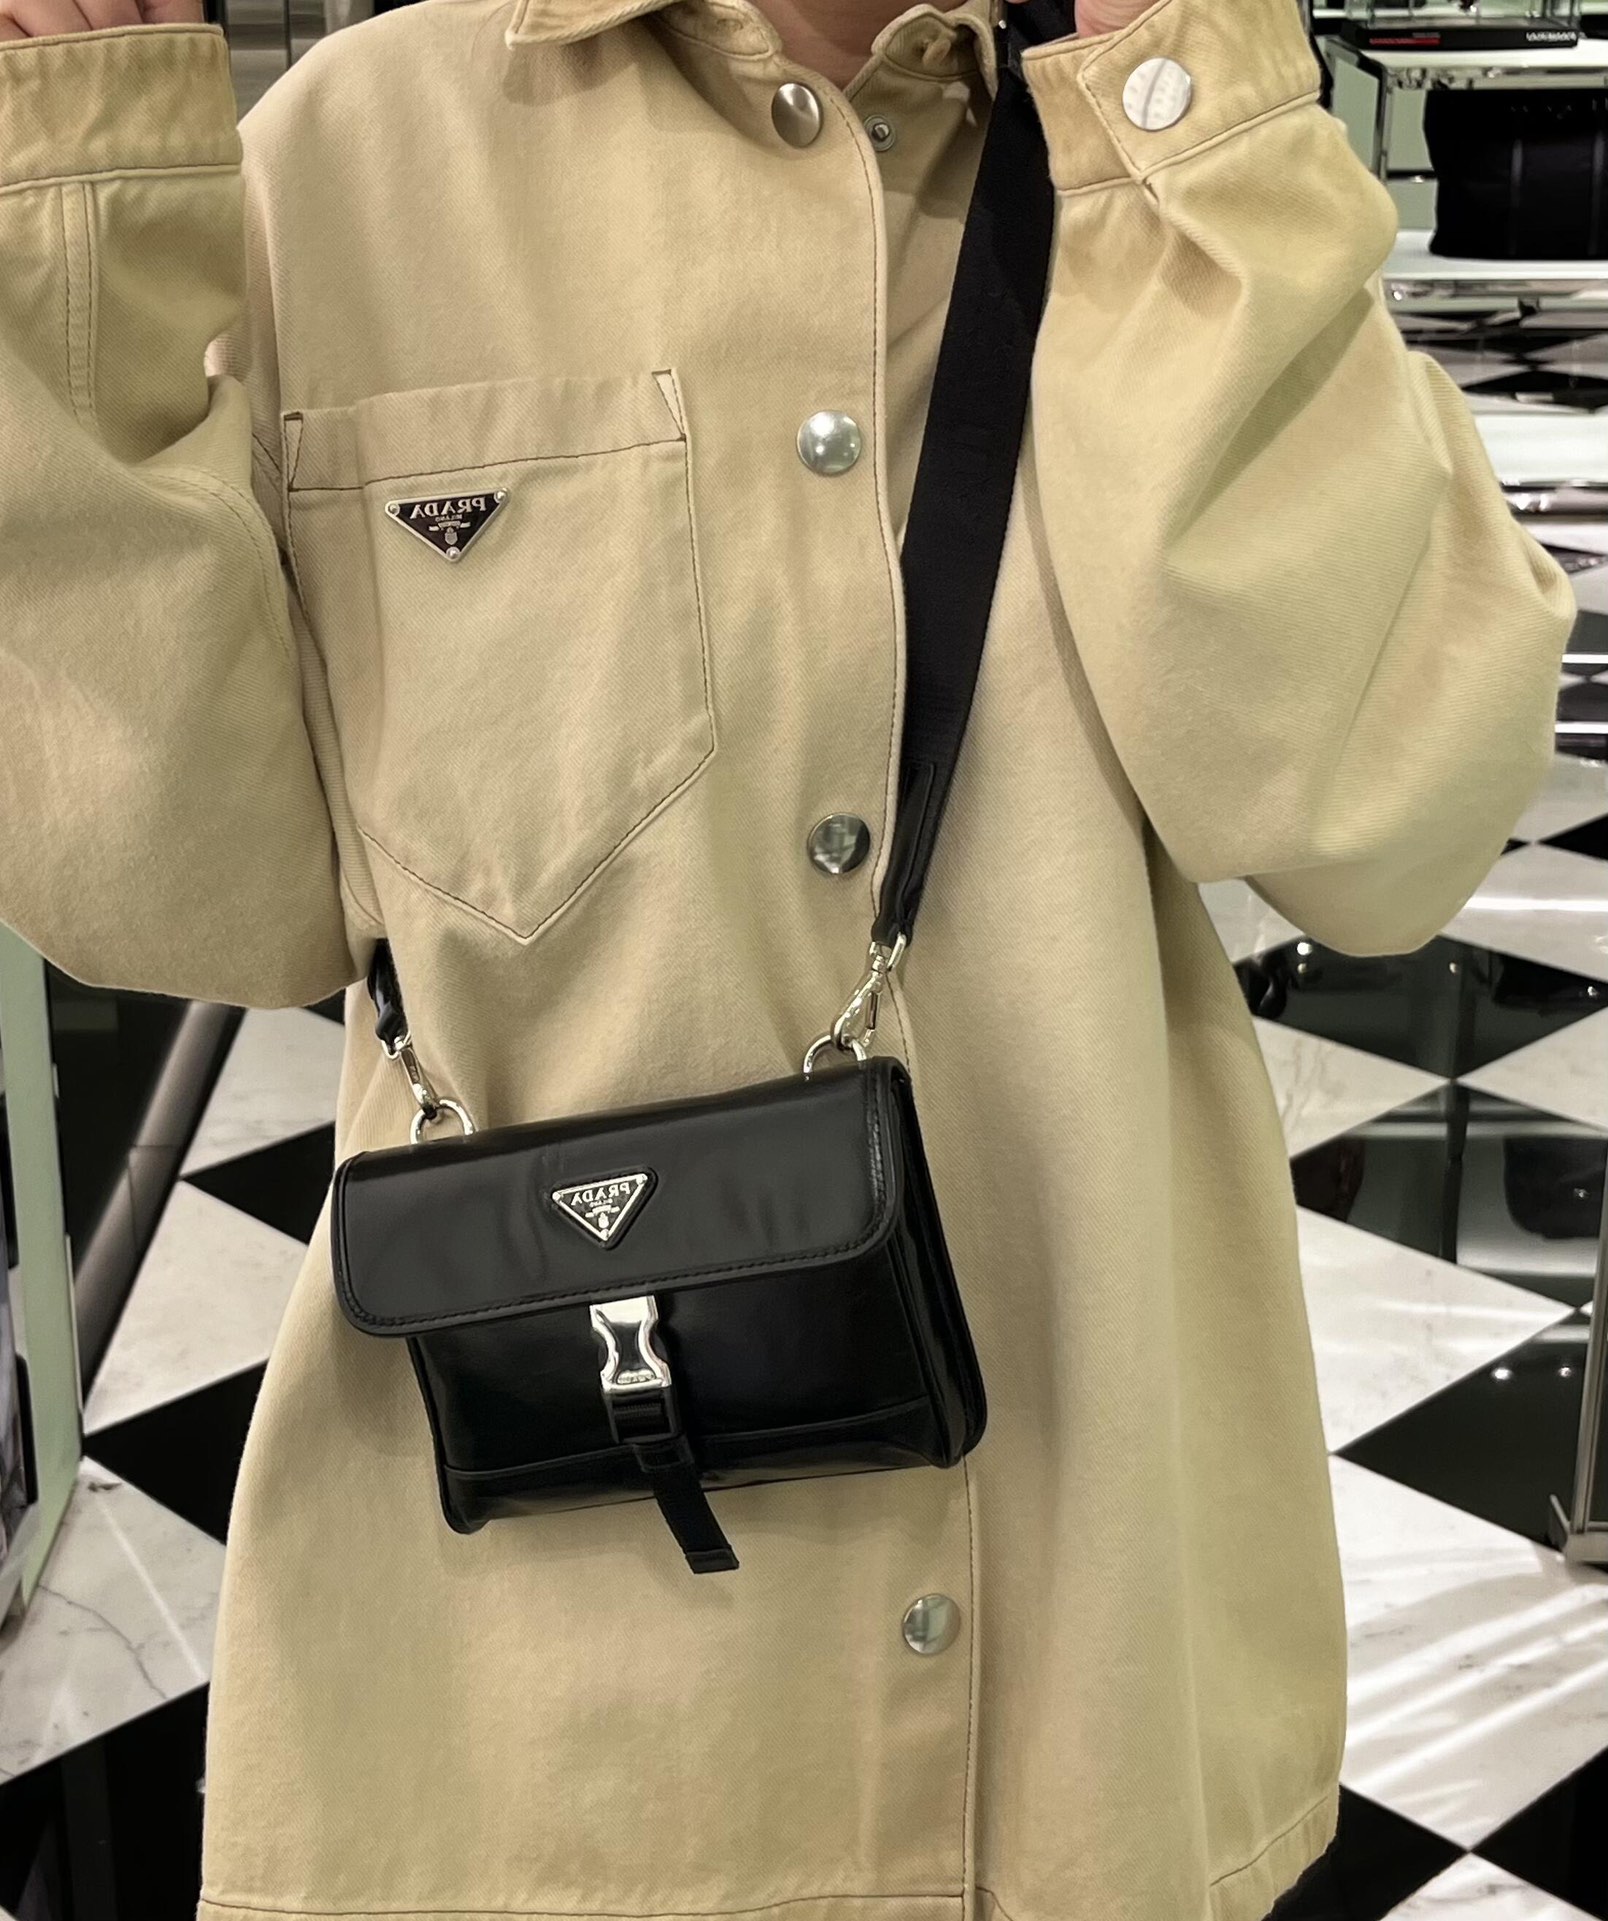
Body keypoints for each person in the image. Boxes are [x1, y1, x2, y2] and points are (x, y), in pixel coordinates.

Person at [0, 0, 1574, 1908]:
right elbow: (191, 888)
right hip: (547, 1732)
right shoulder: (360, 165)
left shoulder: (1157, 179)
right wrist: (76, 219)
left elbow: (1395, 816)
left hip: (1074, 1680)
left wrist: (1196, 112)